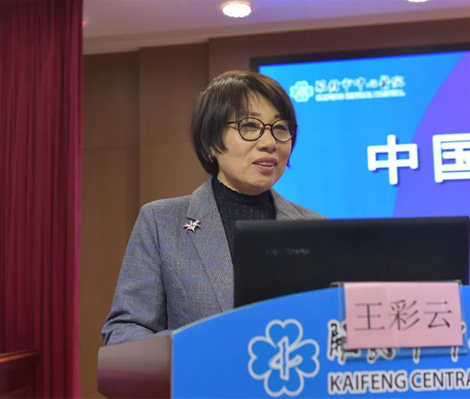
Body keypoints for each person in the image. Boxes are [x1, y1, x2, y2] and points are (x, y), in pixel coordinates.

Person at [102, 70, 324, 345]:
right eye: (250, 126)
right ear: (211, 142)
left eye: (280, 128)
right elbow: (122, 333)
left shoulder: (314, 227)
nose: (269, 143)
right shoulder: (161, 223)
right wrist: (200, 343)